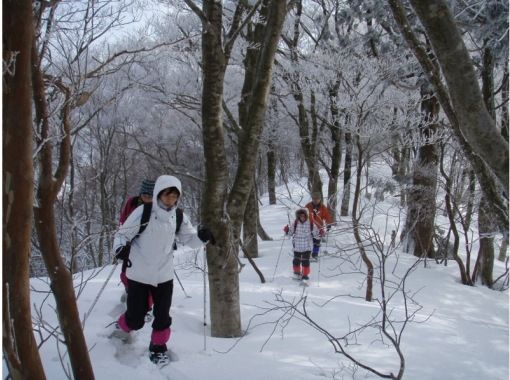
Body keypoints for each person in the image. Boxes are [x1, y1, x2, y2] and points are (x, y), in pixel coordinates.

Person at [112, 175, 214, 365]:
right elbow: (122, 234)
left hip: (164, 275)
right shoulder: (143, 212)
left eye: (175, 196)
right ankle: (122, 324)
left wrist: (201, 237)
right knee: (136, 319)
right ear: (158, 193)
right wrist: (120, 247)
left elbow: (189, 240)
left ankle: (158, 348)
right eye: (167, 195)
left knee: (163, 316)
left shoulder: (179, 217)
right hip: (139, 274)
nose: (170, 199)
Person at [118, 179, 155, 315]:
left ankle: (147, 306)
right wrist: (123, 239)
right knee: (125, 273)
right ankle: (130, 291)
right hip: (130, 244)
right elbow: (123, 220)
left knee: (149, 279)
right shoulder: (132, 202)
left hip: (149, 248)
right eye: (144, 195)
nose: (147, 198)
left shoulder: (158, 208)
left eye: (150, 196)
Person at [283, 208, 321, 281]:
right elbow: (289, 234)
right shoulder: (295, 223)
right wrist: (287, 230)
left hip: (307, 246)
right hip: (297, 246)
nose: (302, 217)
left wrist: (320, 233)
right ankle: (297, 273)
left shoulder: (311, 224)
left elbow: (316, 235)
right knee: (296, 260)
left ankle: (305, 275)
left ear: (306, 216)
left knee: (305, 261)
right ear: (298, 216)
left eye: (303, 216)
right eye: (300, 216)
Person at [305, 192, 333, 261]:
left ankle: (315, 255)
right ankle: (307, 255)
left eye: (317, 199)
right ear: (312, 199)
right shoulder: (308, 206)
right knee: (308, 242)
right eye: (314, 199)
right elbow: (303, 215)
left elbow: (327, 216)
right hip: (309, 227)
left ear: (320, 199)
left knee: (317, 242)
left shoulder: (323, 207)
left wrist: (329, 223)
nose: (316, 200)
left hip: (318, 228)